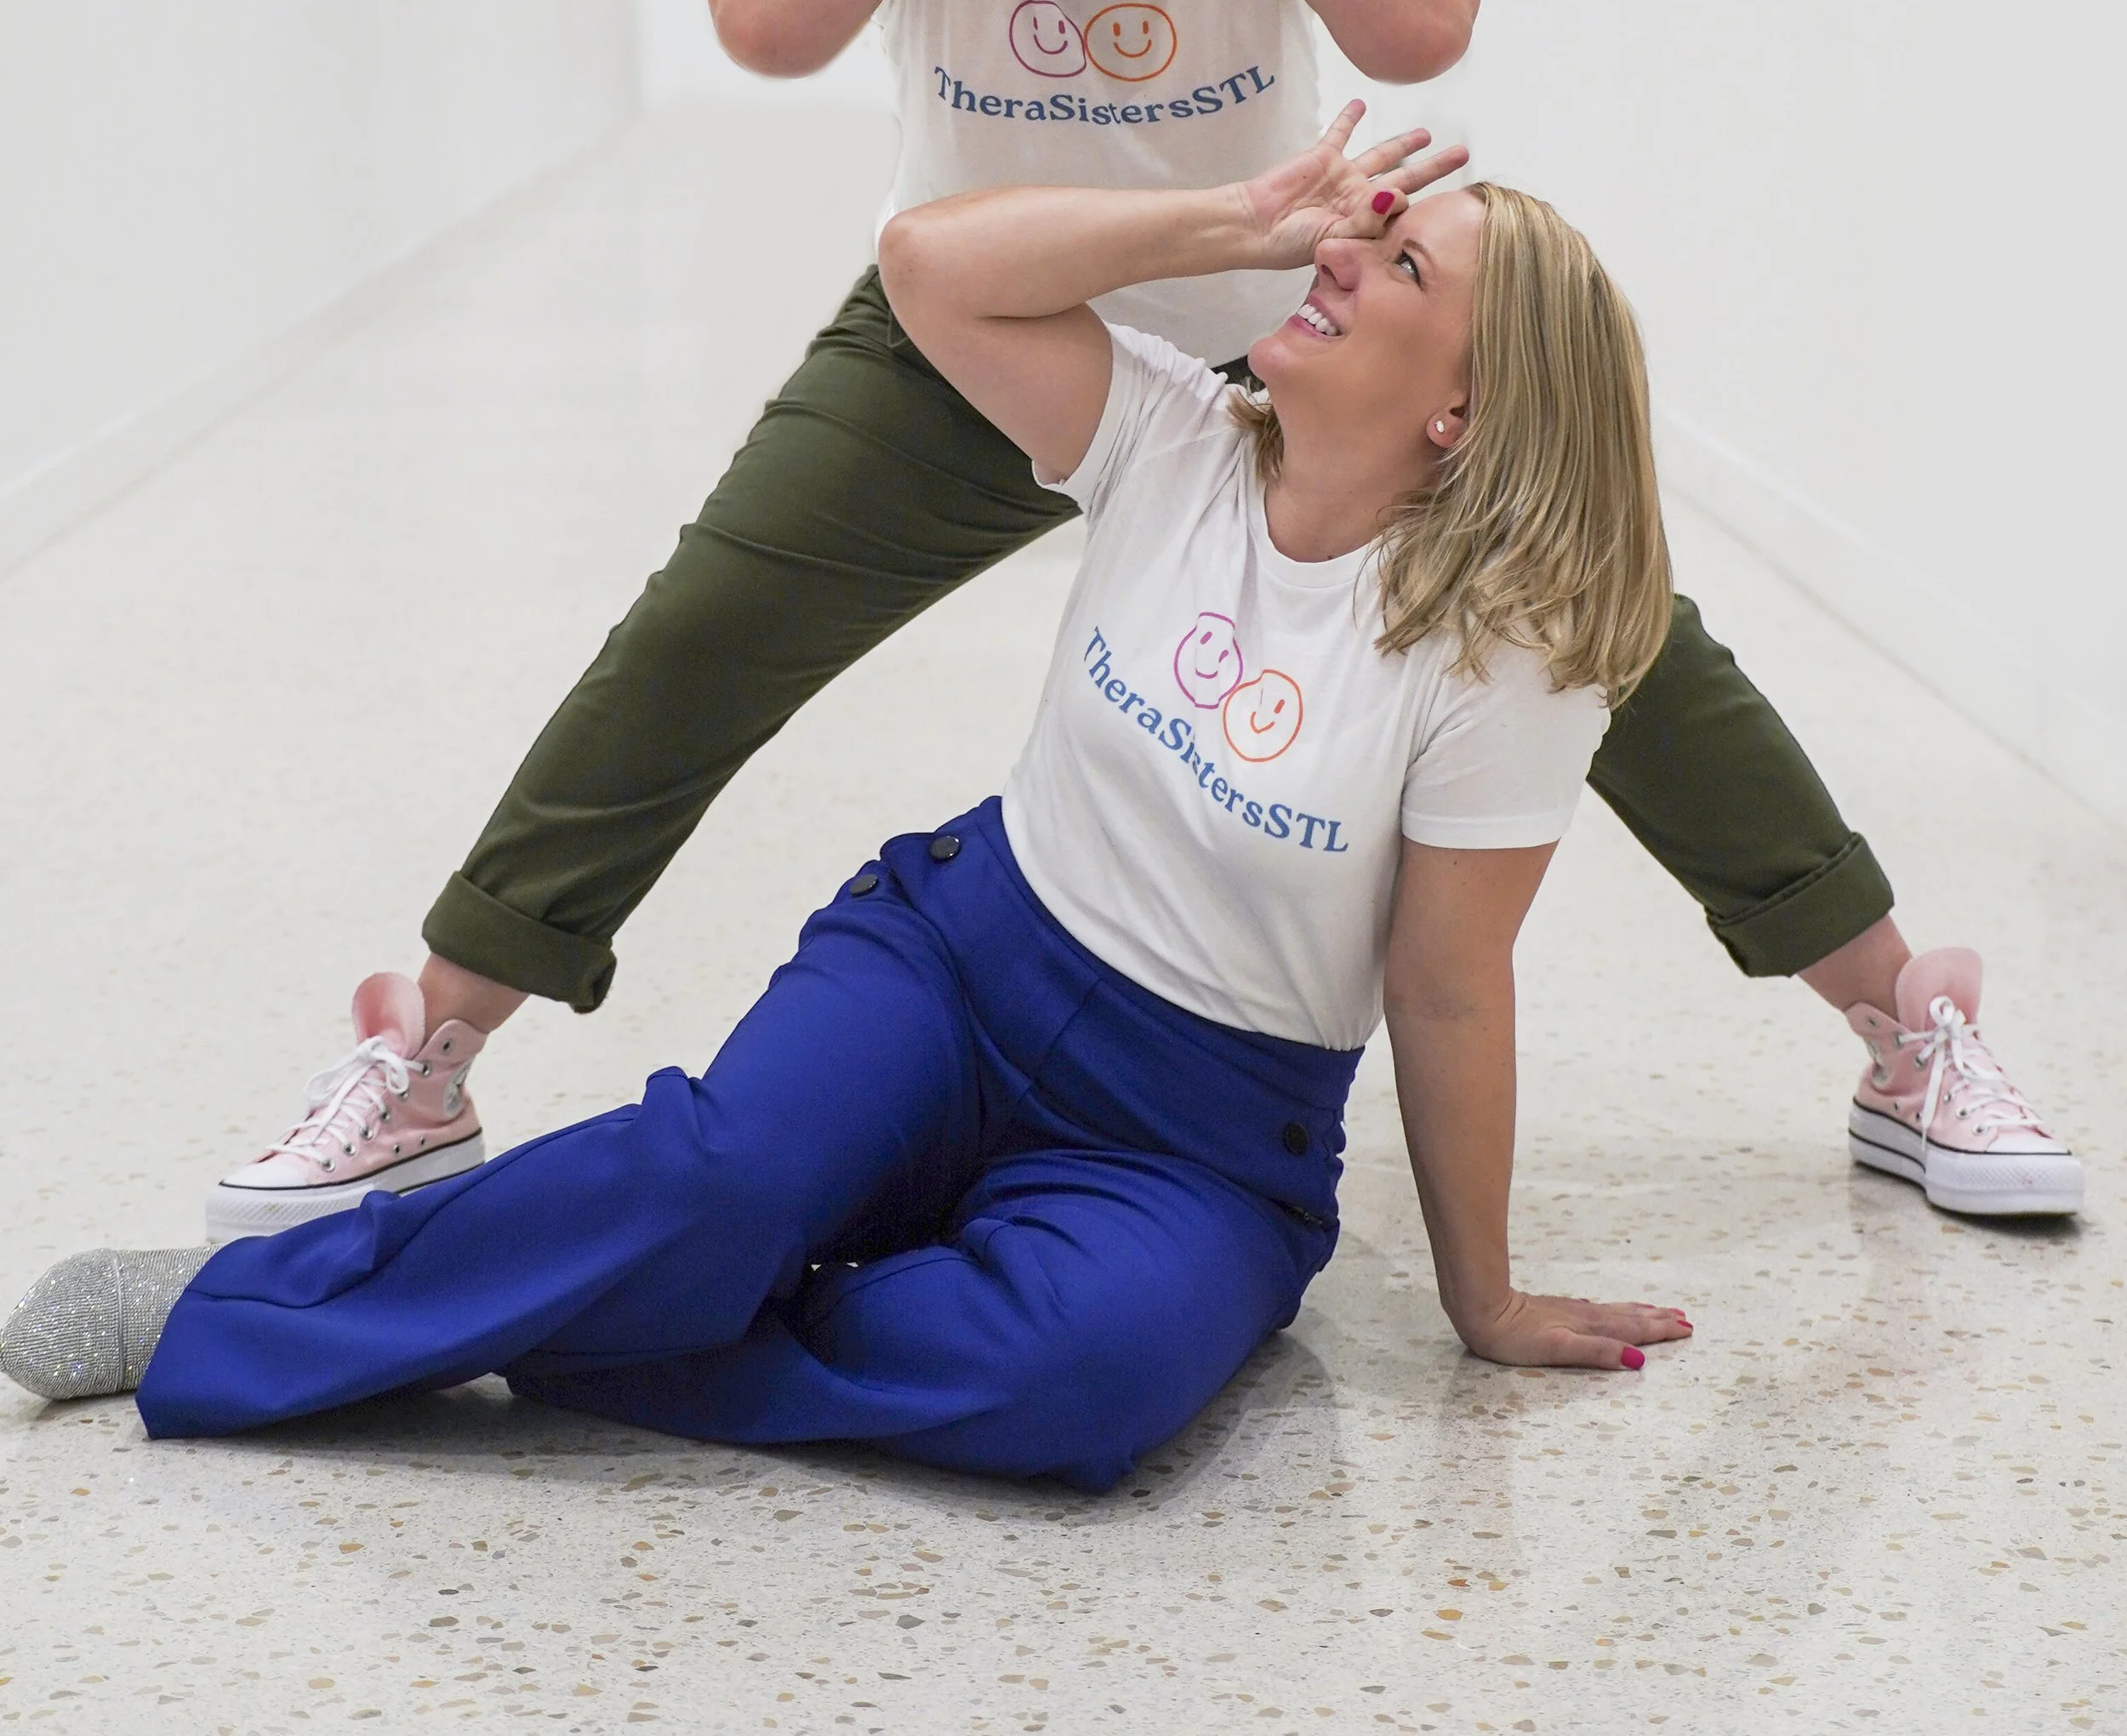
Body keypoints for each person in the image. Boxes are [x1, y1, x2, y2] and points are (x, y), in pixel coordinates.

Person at [202, 0, 2074, 1238]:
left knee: (1611, 623)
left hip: (1289, 331)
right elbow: (763, 24)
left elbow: (1421, 27)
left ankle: (1903, 1023)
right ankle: (428, 1050)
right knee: (699, 637)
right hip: (978, 327)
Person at [6, 116, 1708, 1471]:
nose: (1341, 249)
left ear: (1463, 407)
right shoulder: (1175, 436)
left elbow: (1444, 984)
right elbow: (928, 266)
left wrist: (1482, 1296)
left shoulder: (1509, 658)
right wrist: (1232, 219)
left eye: (1396, 262)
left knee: (1085, 1384)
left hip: (1194, 1132)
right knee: (716, 1184)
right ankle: (250, 1305)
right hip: (958, 964)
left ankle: (540, 1295)